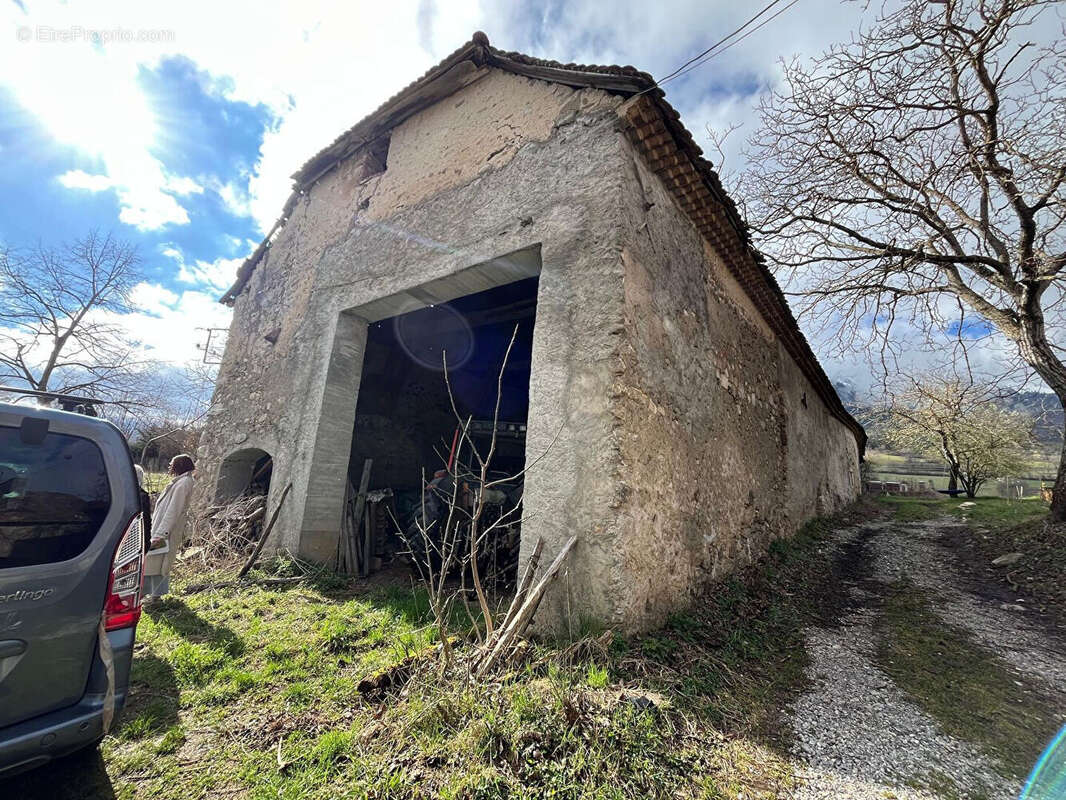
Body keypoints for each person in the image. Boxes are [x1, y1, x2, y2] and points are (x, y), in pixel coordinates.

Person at [144, 454, 195, 599]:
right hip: (163, 528)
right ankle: (150, 595)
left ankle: (155, 596)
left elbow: (173, 510)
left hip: (167, 531)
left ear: (179, 466)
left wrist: (161, 534)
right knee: (154, 562)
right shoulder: (181, 481)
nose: (169, 467)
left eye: (172, 464)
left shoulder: (184, 483)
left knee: (159, 563)